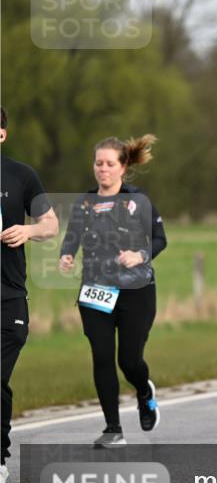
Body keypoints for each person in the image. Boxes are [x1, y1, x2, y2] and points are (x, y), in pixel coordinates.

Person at [59, 135, 166, 448]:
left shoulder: (138, 200)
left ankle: (144, 392)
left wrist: (139, 255)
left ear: (123, 167)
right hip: (96, 290)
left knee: (129, 361)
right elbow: (72, 236)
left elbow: (160, 239)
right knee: (102, 356)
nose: (102, 169)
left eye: (109, 164)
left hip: (136, 291)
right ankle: (112, 428)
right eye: (98, 163)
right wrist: (66, 255)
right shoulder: (85, 202)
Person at [1, 107, 59, 483]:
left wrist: (27, 230)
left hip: (8, 296)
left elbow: (51, 224)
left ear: (2, 134)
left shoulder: (21, 175)